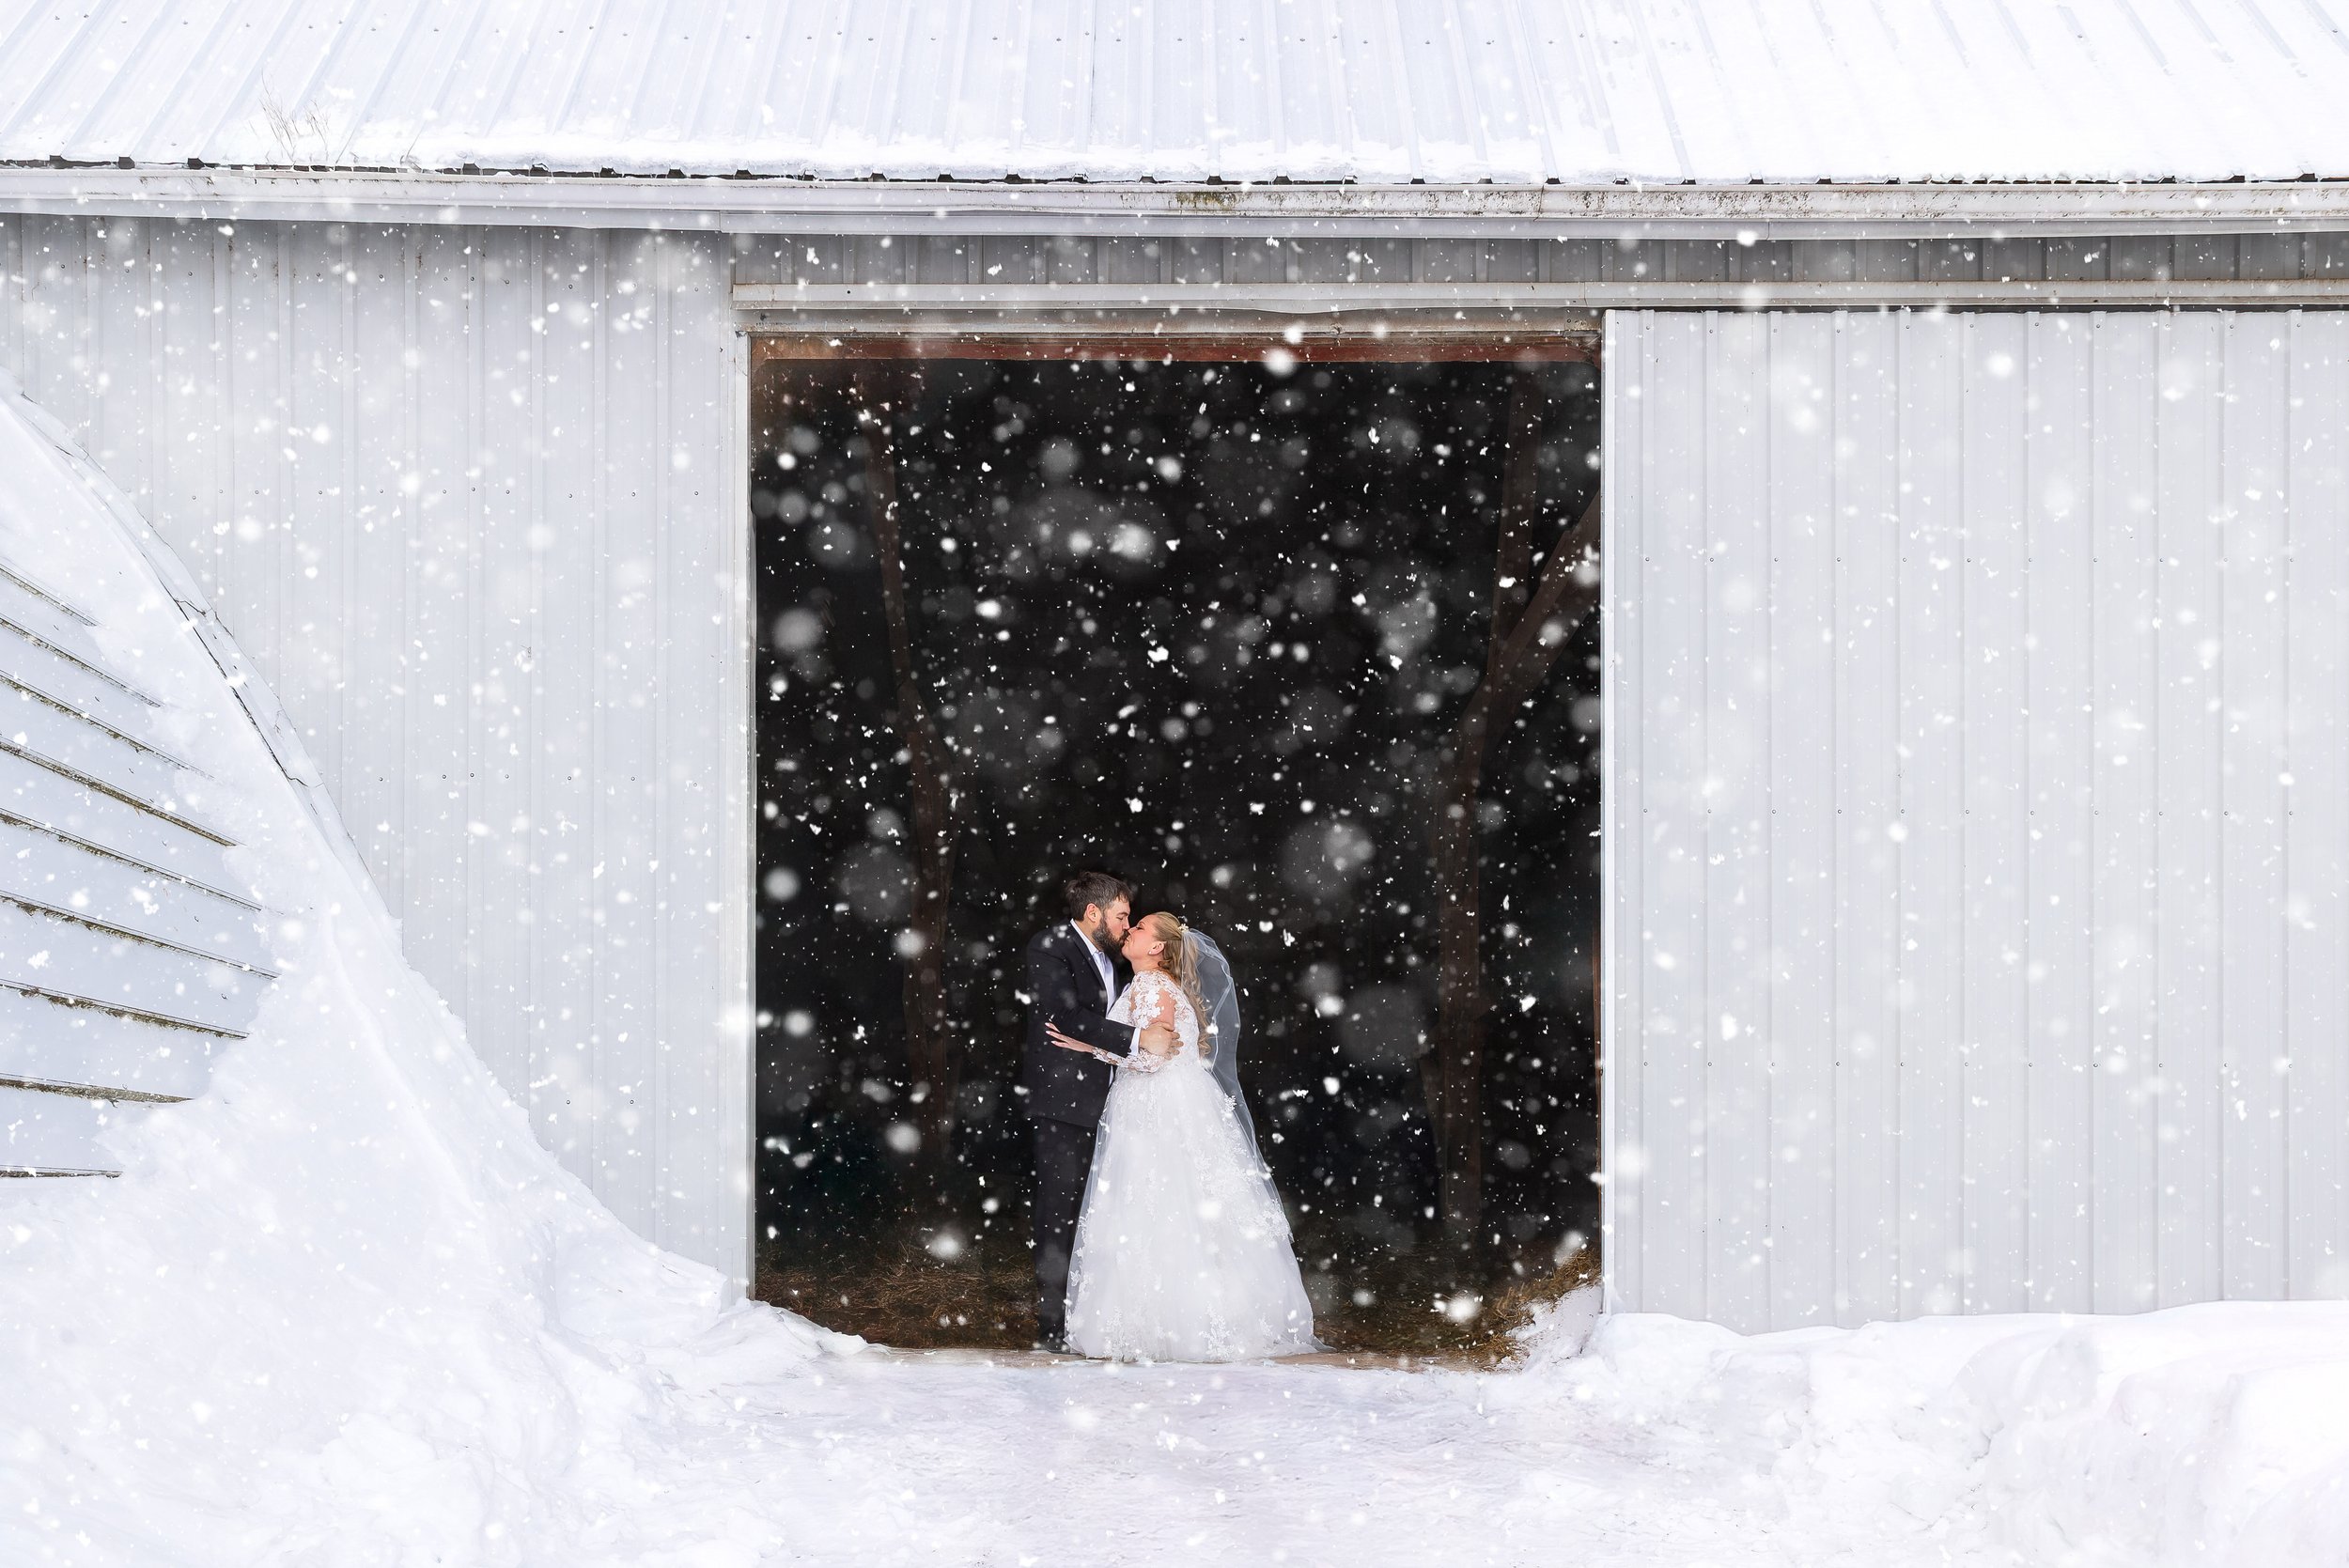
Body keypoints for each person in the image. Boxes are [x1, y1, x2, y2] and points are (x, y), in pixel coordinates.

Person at [1047, 911, 1317, 1361]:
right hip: (1176, 1105)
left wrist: (1093, 1047)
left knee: (1156, 1205)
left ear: (1157, 948)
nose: (1130, 931)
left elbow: (1155, 1059)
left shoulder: (1152, 986)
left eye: (1139, 929)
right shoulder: (1151, 984)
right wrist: (1099, 1046)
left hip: (1157, 1107)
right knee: (1183, 1208)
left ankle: (1167, 1325)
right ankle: (1197, 1320)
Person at [1019, 871, 1176, 1352]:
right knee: (1060, 1213)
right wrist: (1134, 1040)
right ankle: (1053, 1329)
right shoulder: (1051, 946)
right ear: (1094, 913)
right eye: (1121, 915)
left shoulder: (1113, 962)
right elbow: (1062, 1015)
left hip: (1113, 1105)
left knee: (1103, 1217)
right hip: (1064, 1105)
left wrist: (1117, 1048)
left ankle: (1097, 1321)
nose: (1126, 926)